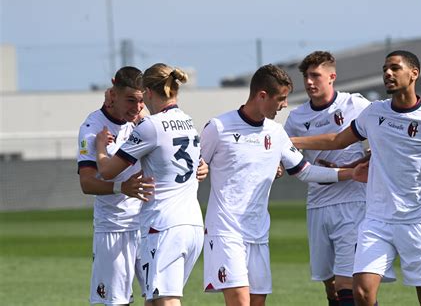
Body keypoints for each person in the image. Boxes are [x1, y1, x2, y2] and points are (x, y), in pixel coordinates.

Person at [291, 50, 421, 306]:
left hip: (418, 221)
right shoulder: (374, 113)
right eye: (385, 69)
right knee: (362, 292)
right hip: (377, 220)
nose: (388, 73)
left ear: (414, 74)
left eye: (395, 68)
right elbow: (337, 140)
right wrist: (288, 141)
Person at [200, 64, 367, 306]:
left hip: (258, 232)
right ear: (262, 96)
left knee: (257, 301)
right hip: (226, 231)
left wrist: (350, 173)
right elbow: (194, 164)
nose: (285, 105)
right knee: (239, 301)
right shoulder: (218, 127)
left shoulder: (276, 132)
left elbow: (305, 171)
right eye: (281, 98)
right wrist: (200, 168)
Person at [95, 63, 204, 306]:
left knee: (166, 300)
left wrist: (101, 146)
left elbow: (106, 170)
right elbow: (199, 164)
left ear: (148, 92)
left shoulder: (150, 127)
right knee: (153, 299)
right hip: (193, 224)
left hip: (163, 225)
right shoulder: (189, 122)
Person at [284, 51, 371, 306]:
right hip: (318, 204)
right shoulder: (296, 118)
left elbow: (379, 147)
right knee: (330, 285)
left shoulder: (355, 105)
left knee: (347, 283)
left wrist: (354, 165)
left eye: (315, 76)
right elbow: (285, 156)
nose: (309, 82)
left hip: (353, 202)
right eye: (306, 76)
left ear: (332, 76)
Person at [77, 66, 154, 305]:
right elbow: (87, 183)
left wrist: (200, 166)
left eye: (141, 101)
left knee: (160, 297)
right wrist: (122, 188)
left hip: (147, 225)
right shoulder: (92, 129)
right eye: (131, 100)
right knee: (117, 302)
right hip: (114, 228)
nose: (137, 107)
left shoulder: (142, 123)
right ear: (114, 94)